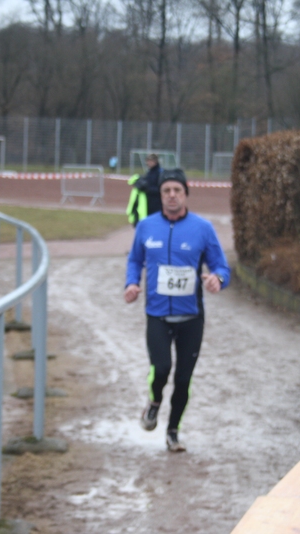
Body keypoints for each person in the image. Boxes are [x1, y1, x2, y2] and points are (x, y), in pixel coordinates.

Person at [124, 168, 230, 452]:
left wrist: (217, 279)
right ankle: (155, 401)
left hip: (191, 317)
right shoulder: (146, 226)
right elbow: (134, 260)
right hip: (157, 314)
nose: (172, 195)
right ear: (160, 195)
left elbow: (221, 267)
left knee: (183, 379)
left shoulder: (202, 228)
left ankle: (173, 431)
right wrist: (131, 283)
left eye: (177, 190)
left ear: (185, 194)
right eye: (166, 191)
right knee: (161, 369)